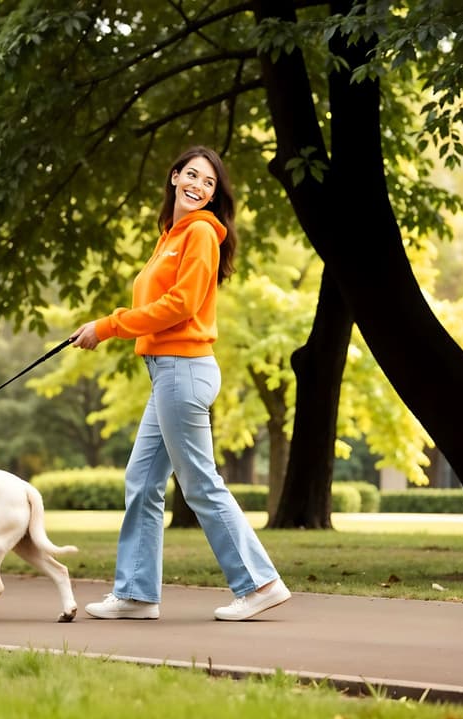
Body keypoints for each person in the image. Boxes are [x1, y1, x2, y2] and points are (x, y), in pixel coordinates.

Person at [70, 146, 291, 622]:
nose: (198, 186)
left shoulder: (202, 235)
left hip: (183, 369)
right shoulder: (169, 237)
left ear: (215, 195)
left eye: (209, 183)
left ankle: (260, 583)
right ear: (174, 177)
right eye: (191, 175)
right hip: (167, 372)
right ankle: (136, 594)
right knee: (143, 481)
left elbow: (181, 305)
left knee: (199, 482)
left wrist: (107, 326)